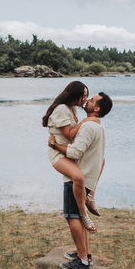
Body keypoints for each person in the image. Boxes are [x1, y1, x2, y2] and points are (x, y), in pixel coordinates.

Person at [48, 92, 111, 269]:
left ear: (96, 108)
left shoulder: (88, 126)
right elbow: (102, 159)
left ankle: (82, 262)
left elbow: (75, 152)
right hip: (88, 177)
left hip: (77, 177)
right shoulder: (98, 125)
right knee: (79, 217)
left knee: (73, 217)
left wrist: (54, 145)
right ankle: (85, 253)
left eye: (92, 100)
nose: (87, 100)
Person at [43, 81, 95, 231]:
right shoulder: (62, 109)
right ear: (74, 95)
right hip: (58, 153)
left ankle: (90, 197)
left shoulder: (72, 109)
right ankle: (83, 214)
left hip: (68, 151)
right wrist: (85, 122)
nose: (85, 99)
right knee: (78, 177)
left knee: (99, 161)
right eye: (83, 96)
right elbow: (68, 134)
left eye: (87, 96)